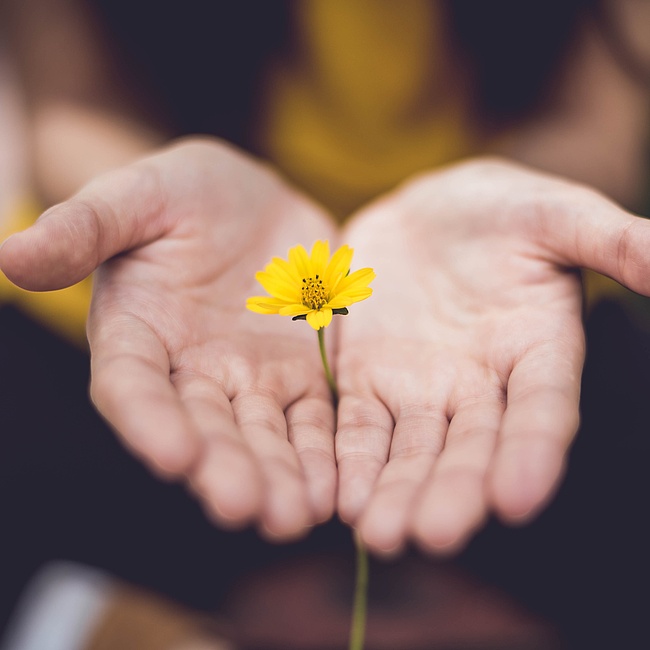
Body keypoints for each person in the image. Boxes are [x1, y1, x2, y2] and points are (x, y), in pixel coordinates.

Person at [1, 1, 650, 645]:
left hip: (492, 310)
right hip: (178, 299)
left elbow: (594, 126)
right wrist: (134, 198)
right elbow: (72, 105)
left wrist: (518, 197)